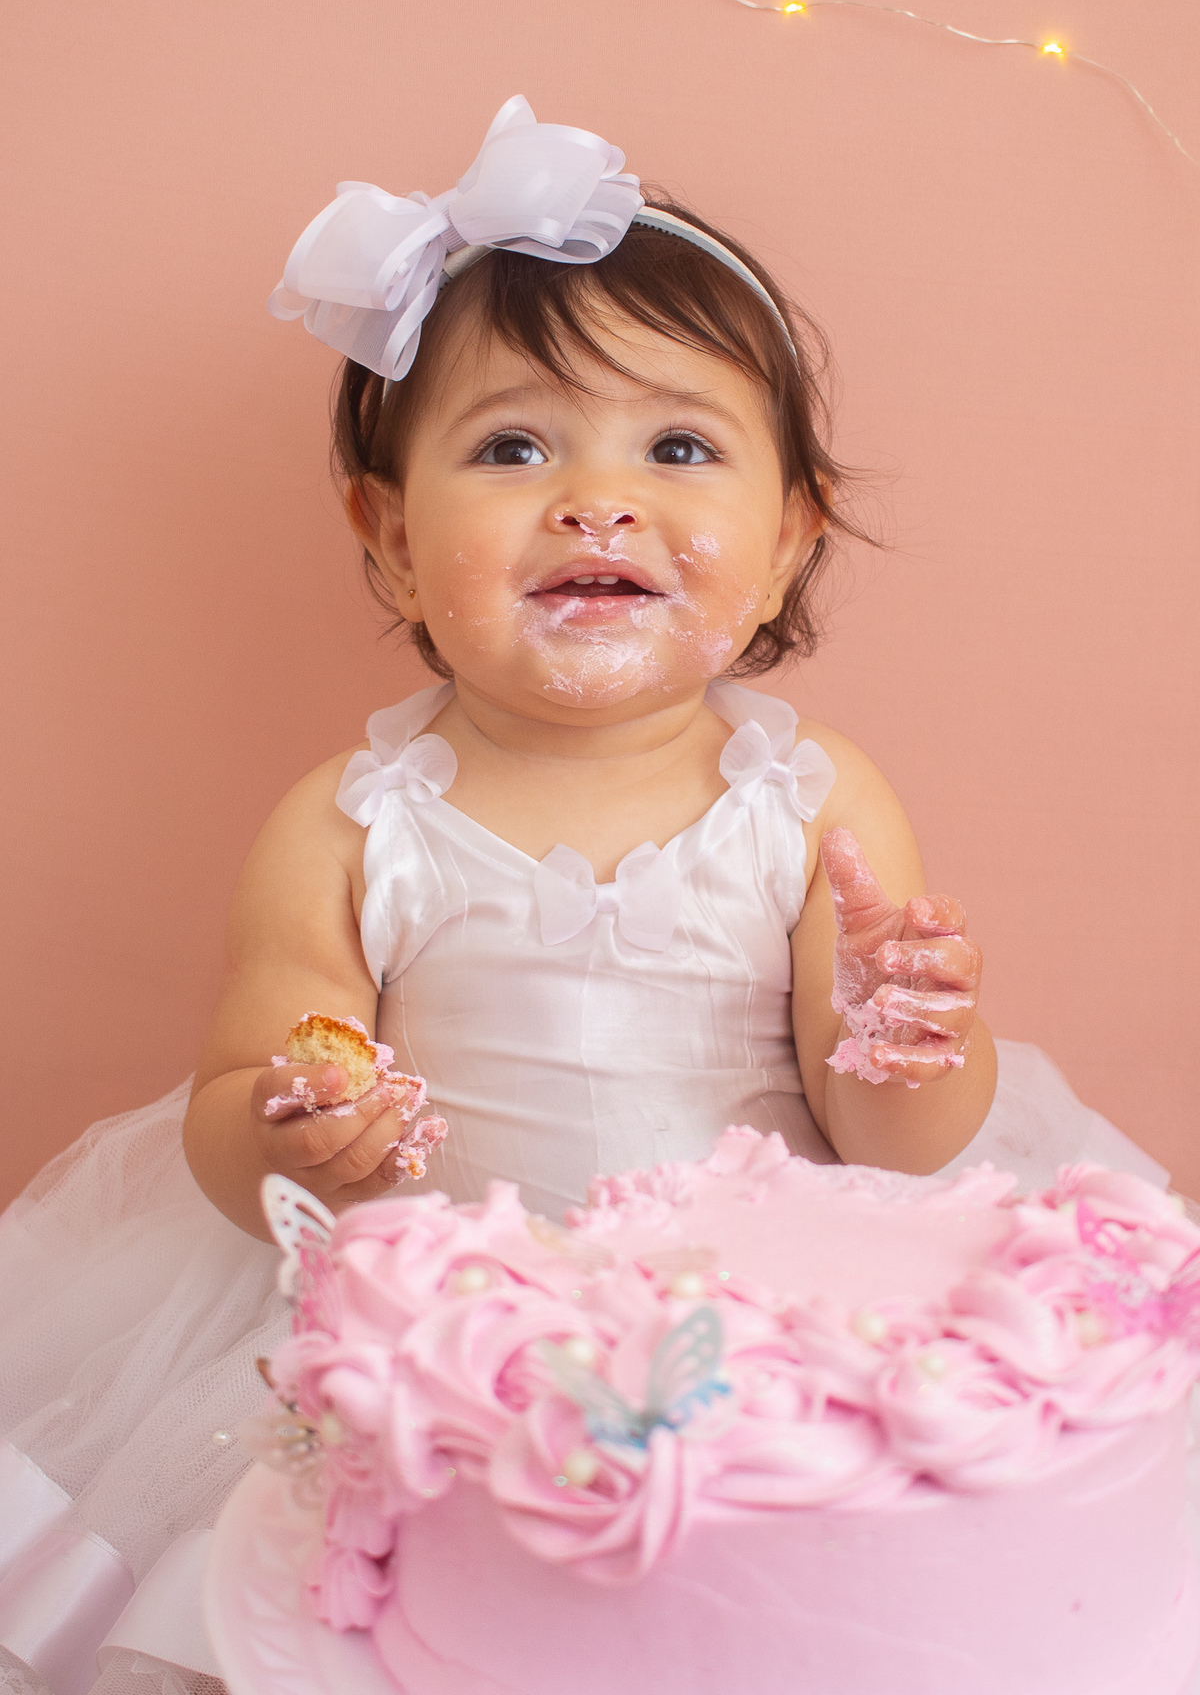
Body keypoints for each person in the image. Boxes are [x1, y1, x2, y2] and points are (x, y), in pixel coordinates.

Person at [0, 96, 1169, 1695]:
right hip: (444, 1336)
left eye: (677, 448)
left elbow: (893, 1146)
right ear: (389, 535)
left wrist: (908, 1045)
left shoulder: (811, 801)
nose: (596, 499)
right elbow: (237, 1103)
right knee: (325, 1607)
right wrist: (299, 1129)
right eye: (513, 447)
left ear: (787, 539)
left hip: (758, 1326)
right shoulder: (350, 825)